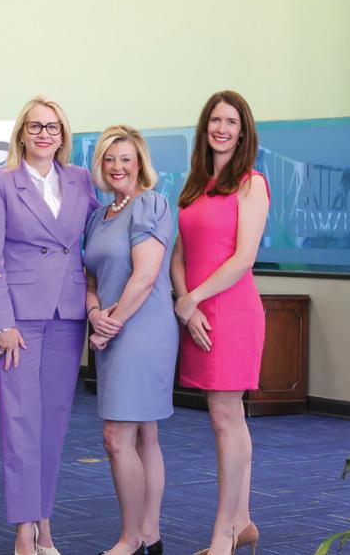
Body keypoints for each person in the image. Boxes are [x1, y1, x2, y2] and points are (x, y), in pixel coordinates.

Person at [0, 96, 98, 555]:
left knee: (53, 425)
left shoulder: (80, 179)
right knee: (21, 424)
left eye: (52, 127)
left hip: (68, 316)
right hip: (18, 322)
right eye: (35, 126)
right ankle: (23, 531)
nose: (44, 134)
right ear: (21, 134)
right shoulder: (0, 182)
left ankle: (45, 524)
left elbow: (99, 233)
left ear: (63, 135)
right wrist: (1, 323)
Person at [170, 91, 270, 555]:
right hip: (196, 311)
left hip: (231, 311)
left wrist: (193, 299)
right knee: (226, 418)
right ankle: (242, 522)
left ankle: (225, 533)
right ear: (204, 127)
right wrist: (184, 302)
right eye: (215, 120)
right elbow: (179, 255)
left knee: (226, 417)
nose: (222, 128)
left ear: (243, 132)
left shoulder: (252, 184)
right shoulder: (194, 187)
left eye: (231, 121)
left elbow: (243, 258)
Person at [83, 125, 178, 555]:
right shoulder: (98, 216)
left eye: (125, 159)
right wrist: (94, 314)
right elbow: (90, 278)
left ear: (140, 163)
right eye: (109, 159)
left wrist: (111, 324)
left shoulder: (151, 205)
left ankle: (131, 538)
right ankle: (150, 537)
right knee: (144, 436)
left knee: (117, 437)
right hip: (110, 328)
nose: (117, 166)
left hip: (142, 330)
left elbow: (145, 277)